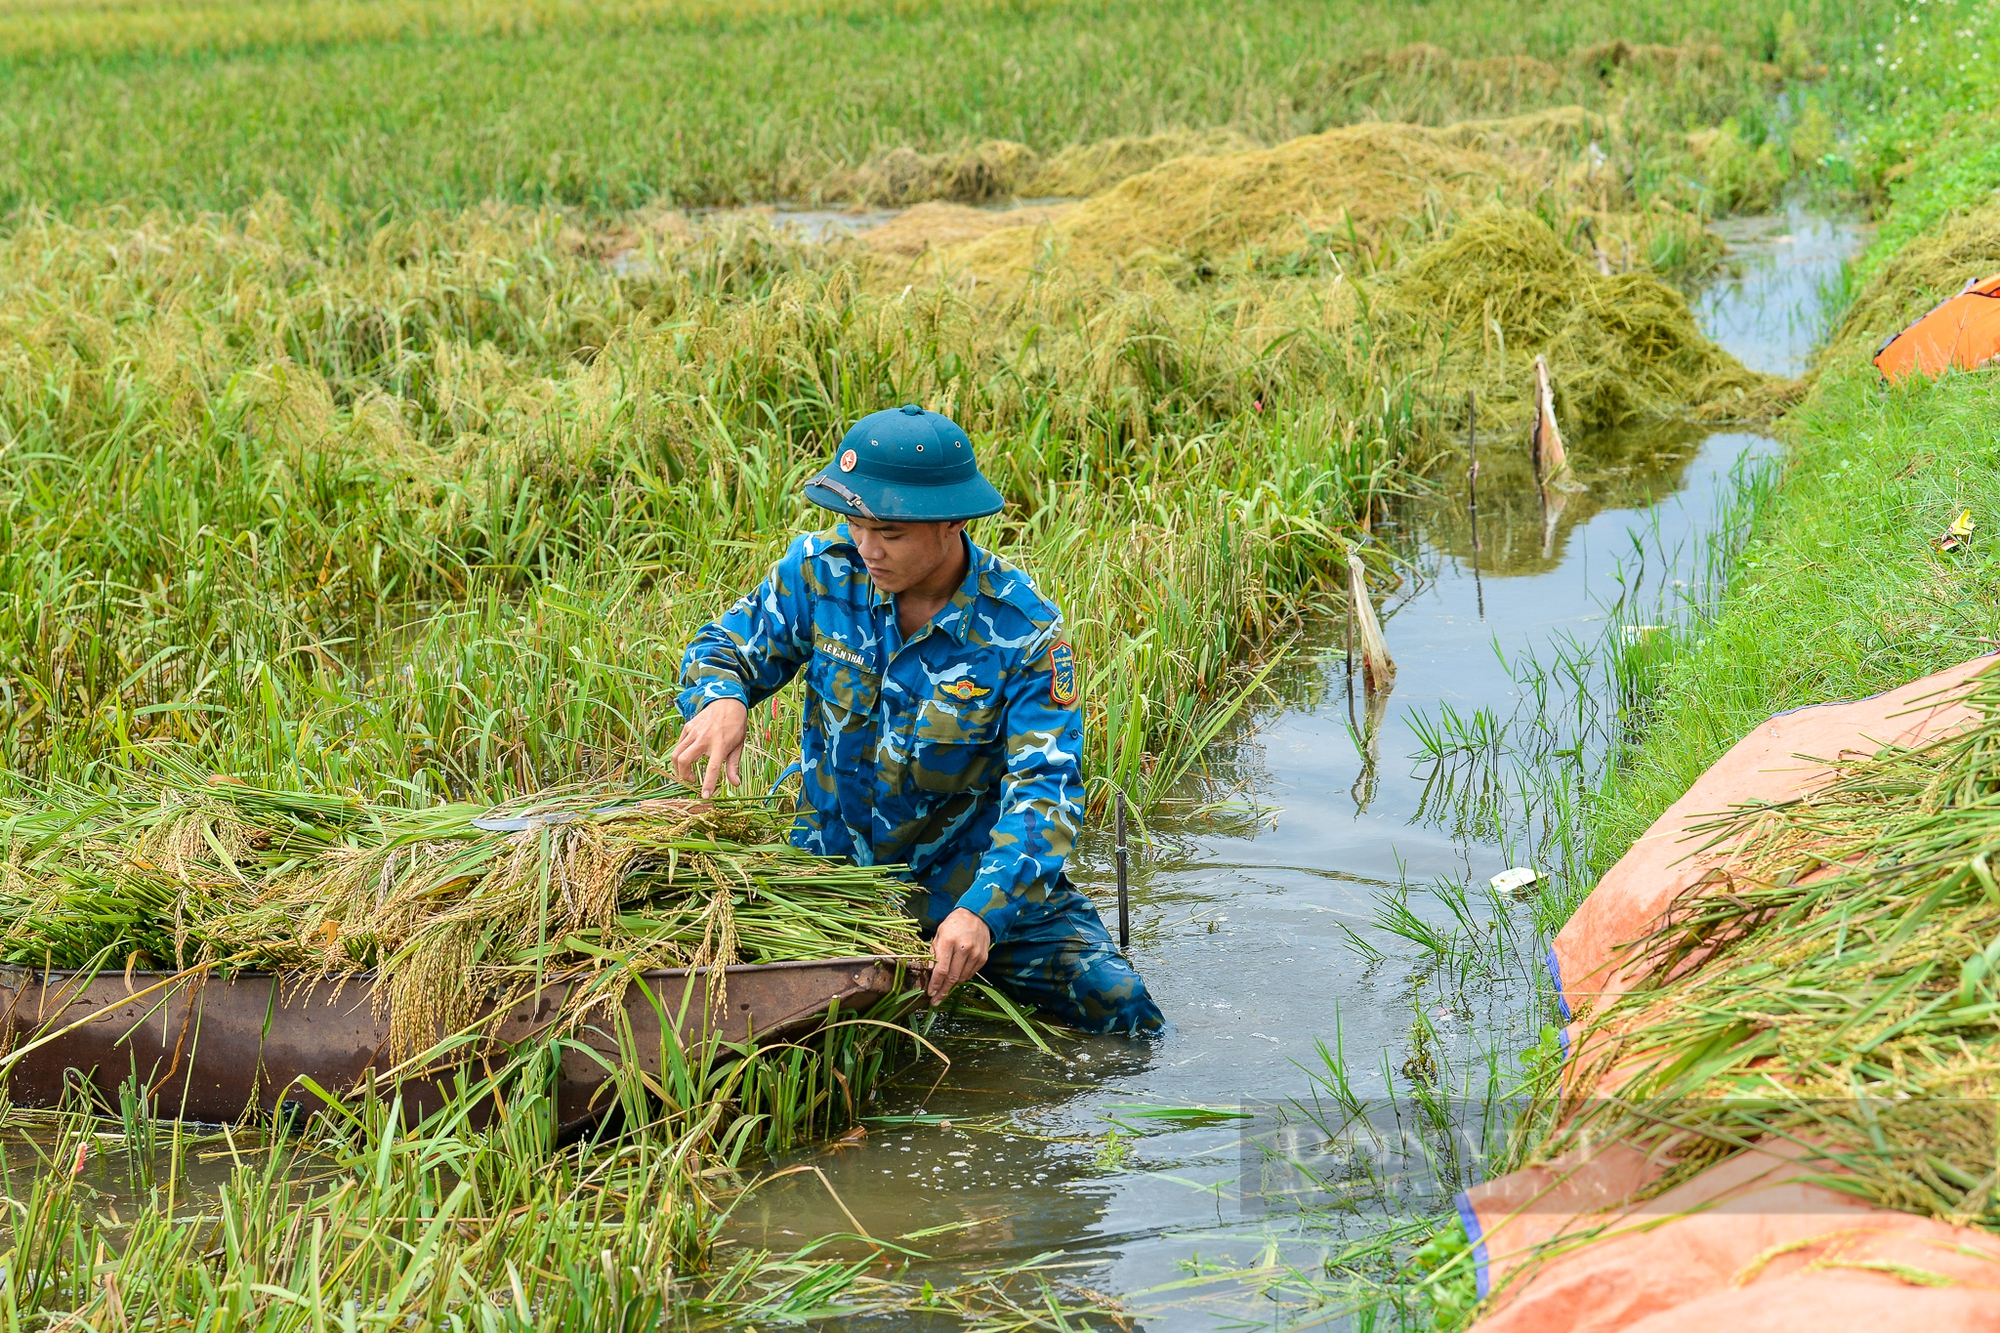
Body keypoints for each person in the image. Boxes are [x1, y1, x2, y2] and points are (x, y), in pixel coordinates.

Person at [672, 404, 1164, 1036]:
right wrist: (722, 699)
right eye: (855, 523)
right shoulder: (820, 574)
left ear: (951, 521)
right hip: (832, 885)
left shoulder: (1023, 631)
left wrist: (982, 915)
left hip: (968, 880)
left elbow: (1048, 793)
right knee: (749, 1024)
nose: (867, 548)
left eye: (892, 533)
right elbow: (721, 647)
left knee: (1123, 1010)